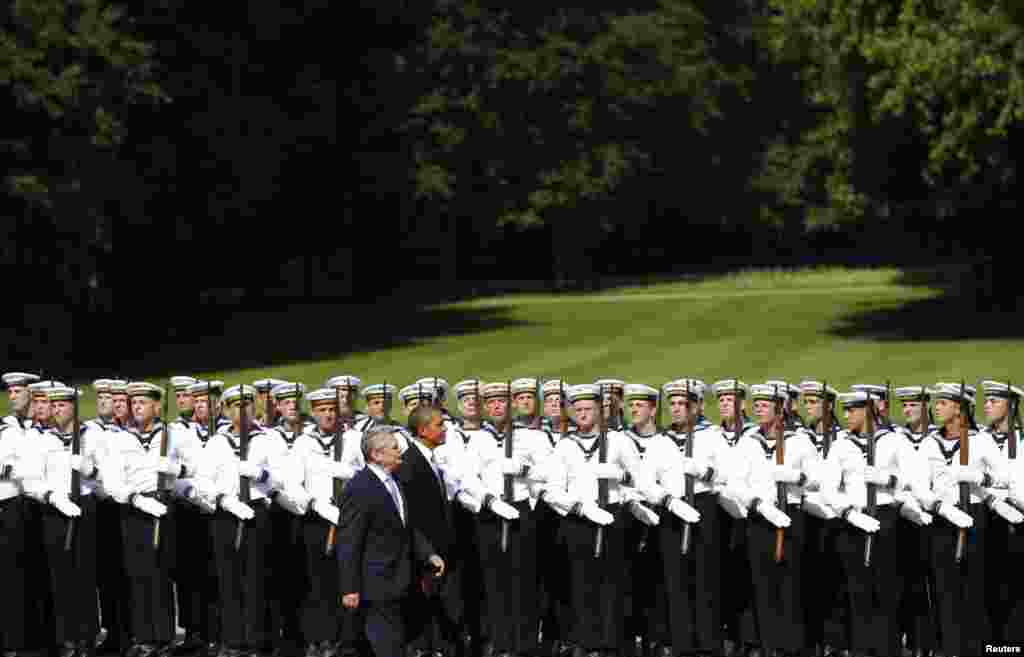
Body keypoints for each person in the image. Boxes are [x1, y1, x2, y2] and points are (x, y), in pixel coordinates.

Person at [339, 425, 445, 657]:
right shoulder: (360, 488)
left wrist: (428, 554)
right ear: (376, 455)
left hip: (400, 579)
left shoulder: (394, 481)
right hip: (376, 584)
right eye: (395, 448)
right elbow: (349, 541)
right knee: (388, 646)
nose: (400, 453)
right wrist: (350, 588)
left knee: (394, 642)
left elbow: (406, 526)